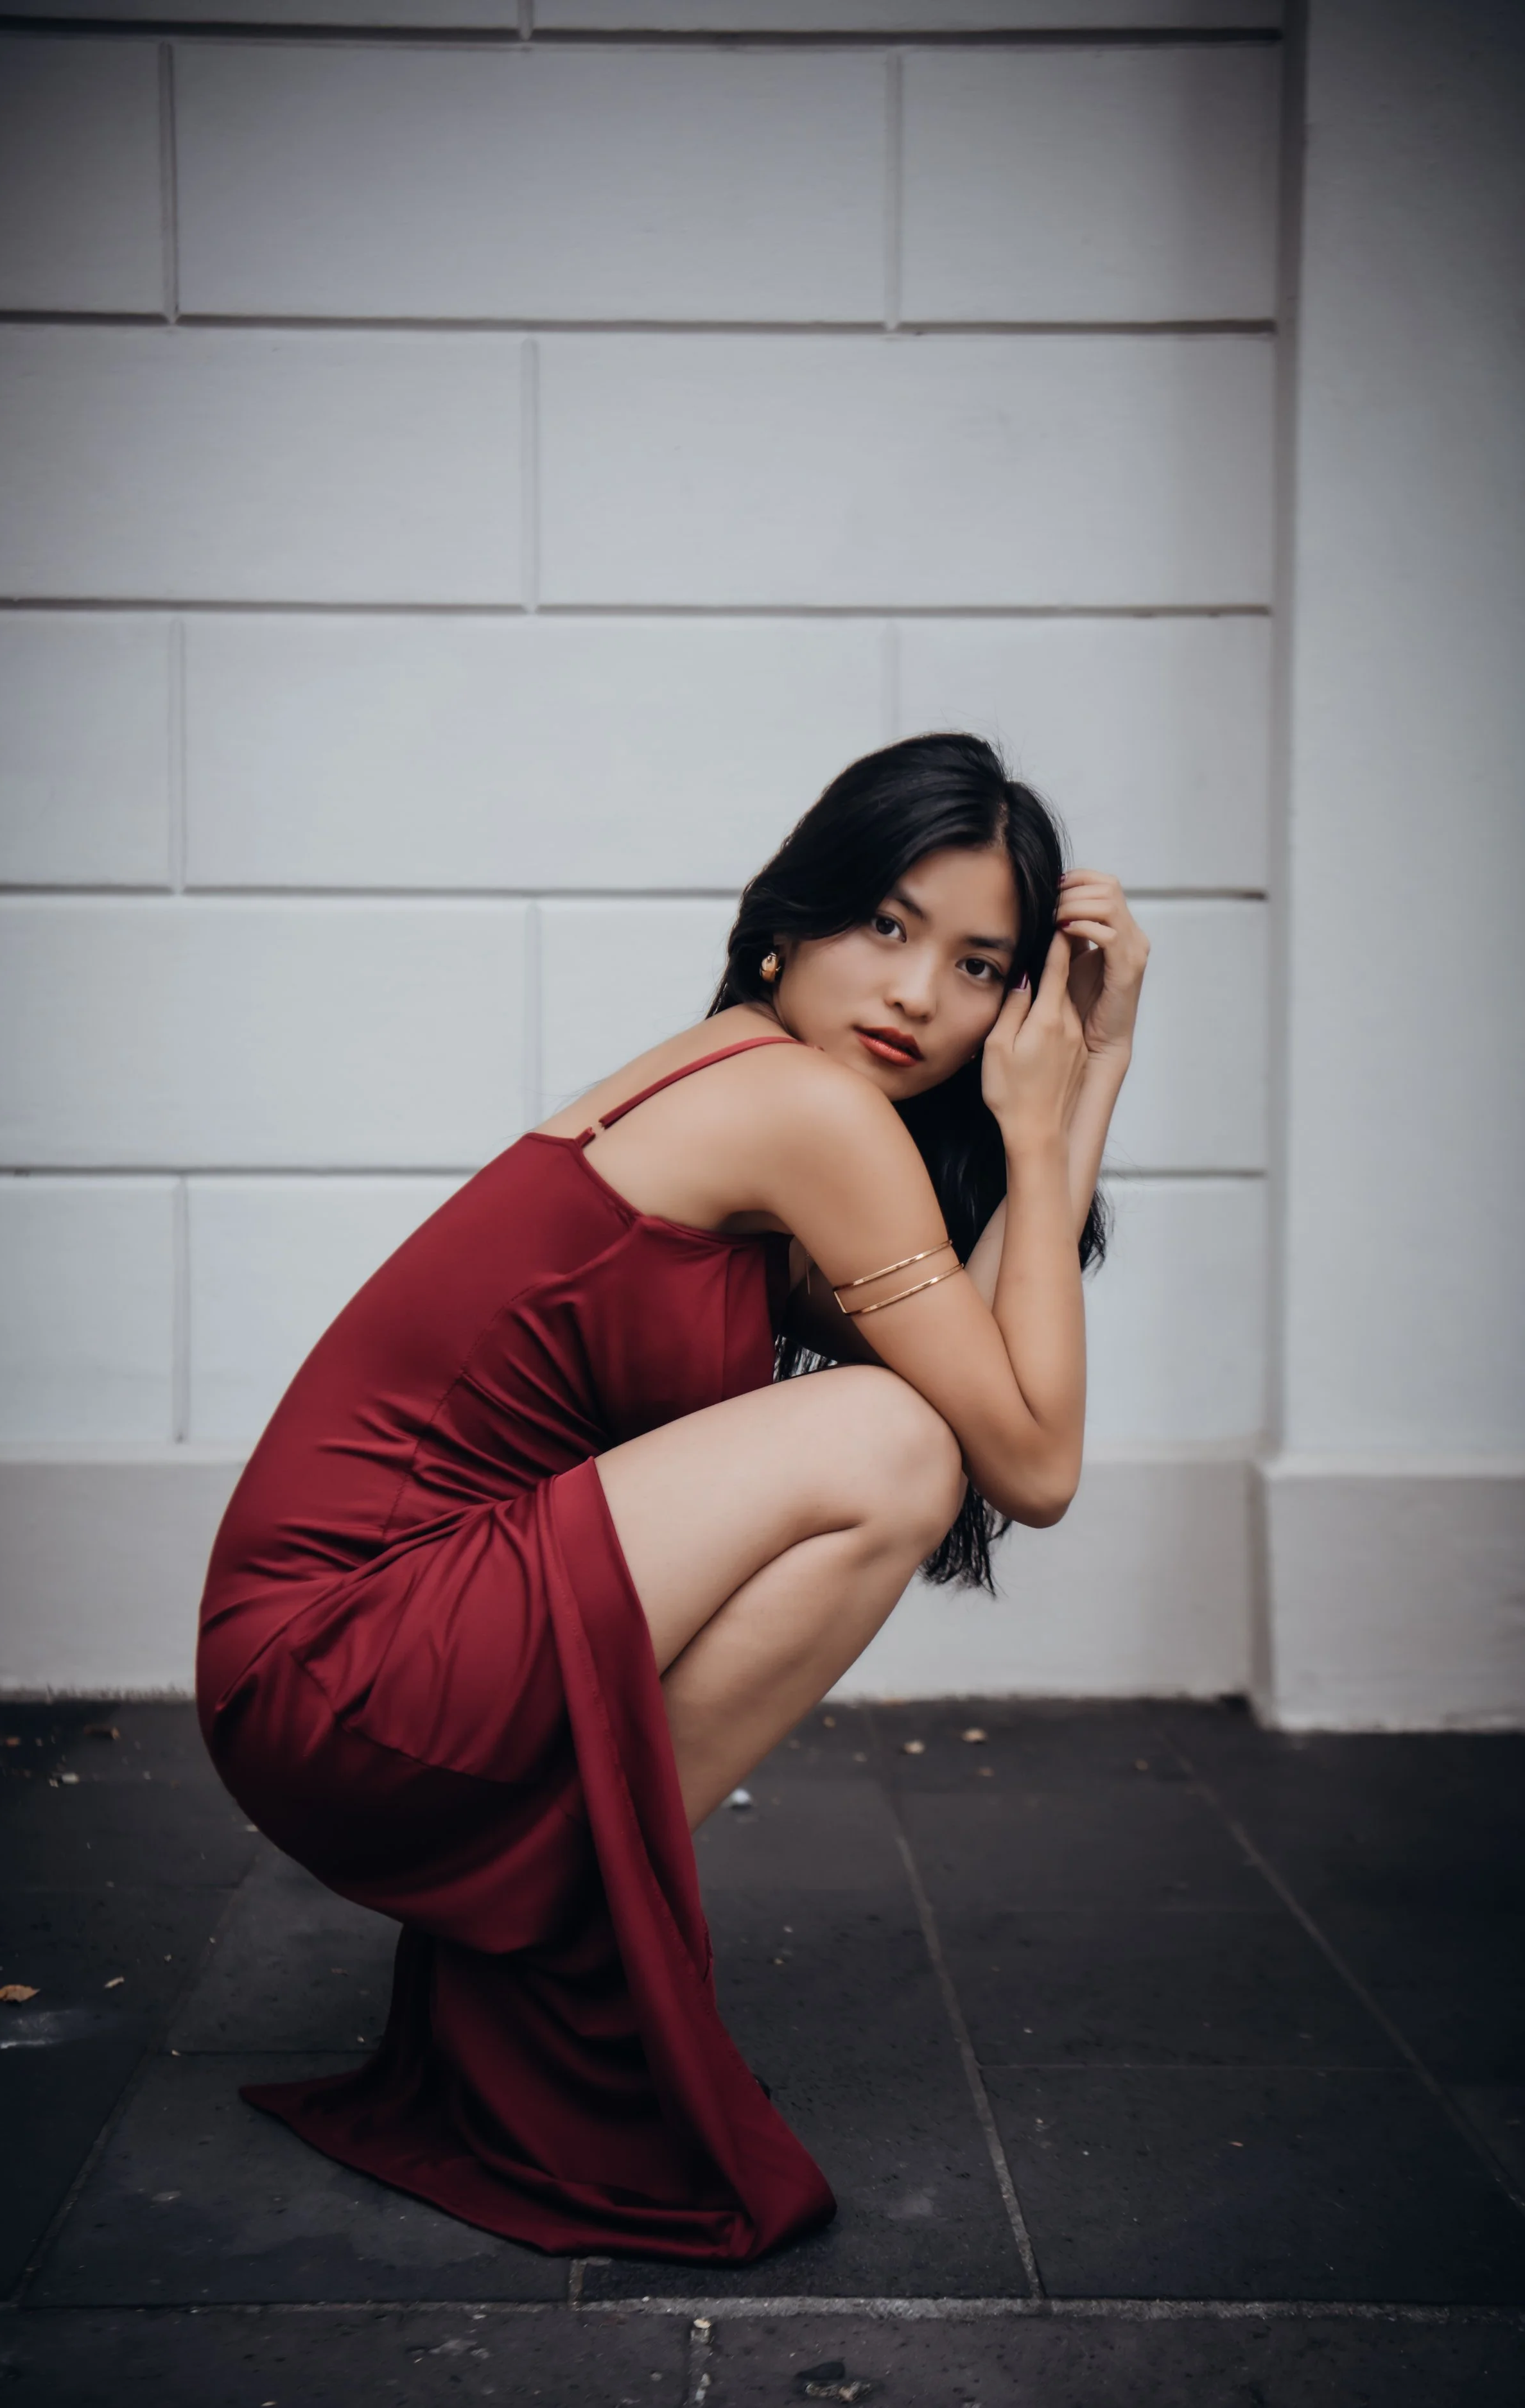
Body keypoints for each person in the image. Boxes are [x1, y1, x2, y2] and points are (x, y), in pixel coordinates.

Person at [194, 731, 1149, 2264]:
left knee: (902, 1428)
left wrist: (1086, 1077)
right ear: (786, 921)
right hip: (345, 1668)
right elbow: (1023, 1464)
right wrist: (1039, 1131)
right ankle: (570, 1932)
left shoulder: (768, 1108)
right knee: (889, 1448)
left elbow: (989, 1396)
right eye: (883, 926)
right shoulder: (803, 1111)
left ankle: (547, 1932)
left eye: (978, 968)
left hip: (332, 1672)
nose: (914, 993)